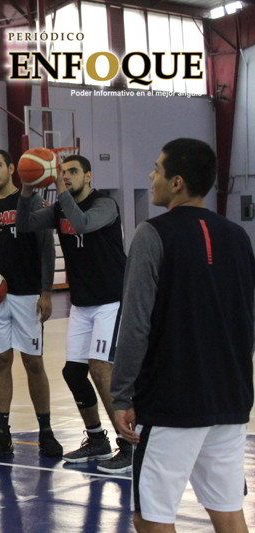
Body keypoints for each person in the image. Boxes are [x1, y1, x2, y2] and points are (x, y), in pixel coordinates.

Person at [111, 139, 253, 533]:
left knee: (152, 519)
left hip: (172, 403)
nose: (150, 176)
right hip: (230, 400)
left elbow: (136, 322)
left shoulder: (151, 234)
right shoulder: (239, 238)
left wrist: (122, 393)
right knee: (228, 514)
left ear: (176, 182)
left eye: (156, 169)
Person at [16, 154, 129, 473]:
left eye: (73, 172)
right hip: (83, 302)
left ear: (89, 176)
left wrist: (57, 187)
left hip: (112, 299)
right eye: (63, 172)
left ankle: (128, 444)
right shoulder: (58, 208)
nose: (66, 177)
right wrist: (26, 190)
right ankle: (97, 440)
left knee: (101, 369)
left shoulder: (105, 204)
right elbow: (25, 224)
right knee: (73, 372)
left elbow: (83, 223)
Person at [0, 149, 62, 459]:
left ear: (11, 168)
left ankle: (46, 432)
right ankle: (2, 434)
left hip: (28, 294)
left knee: (33, 363)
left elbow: (46, 249)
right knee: (1, 362)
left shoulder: (30, 203)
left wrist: (46, 291)